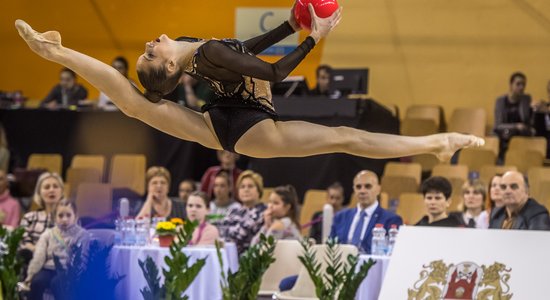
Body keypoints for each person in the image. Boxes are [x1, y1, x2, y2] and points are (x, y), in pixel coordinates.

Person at [15, 5, 483, 164]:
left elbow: (242, 48)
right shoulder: (200, 56)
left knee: (137, 106)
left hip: (226, 120)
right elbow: (275, 72)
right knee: (345, 137)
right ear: (171, 71)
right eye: (150, 53)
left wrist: (291, 24)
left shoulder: (195, 51)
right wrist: (313, 38)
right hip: (245, 126)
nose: (149, 42)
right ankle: (437, 143)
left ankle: (439, 143)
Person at [21, 200, 90, 300]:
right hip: (48, 268)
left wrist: (78, 276)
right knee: (37, 282)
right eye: (60, 216)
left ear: (76, 216)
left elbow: (83, 257)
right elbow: (39, 257)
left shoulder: (82, 235)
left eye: (68, 215)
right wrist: (30, 275)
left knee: (57, 284)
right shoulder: (48, 234)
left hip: (68, 270)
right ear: (54, 218)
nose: (65, 219)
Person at [330, 170, 402, 253]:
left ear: (378, 189)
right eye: (358, 187)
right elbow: (330, 249)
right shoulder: (340, 217)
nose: (362, 191)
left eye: (368, 186)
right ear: (354, 189)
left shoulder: (391, 219)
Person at [218, 170, 267, 254]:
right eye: (242, 187)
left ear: (259, 190)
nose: (246, 190)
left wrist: (227, 231)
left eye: (250, 186)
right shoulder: (233, 210)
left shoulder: (263, 211)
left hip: (250, 258)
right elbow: (221, 231)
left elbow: (241, 234)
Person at [493, 72, 534, 160]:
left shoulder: (525, 99)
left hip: (520, 134)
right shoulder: (501, 101)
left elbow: (526, 120)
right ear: (511, 85)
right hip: (505, 132)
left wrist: (530, 106)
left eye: (523, 84)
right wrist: (515, 126)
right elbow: (498, 125)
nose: (521, 87)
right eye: (518, 84)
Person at [20, 172, 64, 252]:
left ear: (61, 192)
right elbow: (24, 242)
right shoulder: (29, 218)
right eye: (47, 187)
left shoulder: (69, 218)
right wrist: (38, 252)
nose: (51, 190)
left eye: (55, 186)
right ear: (39, 193)